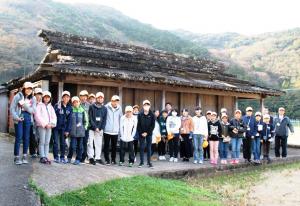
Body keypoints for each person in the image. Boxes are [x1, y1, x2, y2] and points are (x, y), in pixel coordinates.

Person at [10, 82, 36, 165]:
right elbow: (12, 108)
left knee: (26, 137)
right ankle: (16, 157)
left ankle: (24, 156)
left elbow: (33, 111)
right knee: (19, 137)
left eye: (31, 89)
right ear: (24, 88)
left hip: (28, 118)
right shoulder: (18, 96)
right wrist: (16, 117)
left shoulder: (33, 98)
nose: (29, 90)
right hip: (19, 118)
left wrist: (24, 105)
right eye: (28, 88)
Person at [34, 91, 56, 164]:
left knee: (47, 142)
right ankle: (42, 156)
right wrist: (45, 124)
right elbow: (37, 116)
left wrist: (52, 124)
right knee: (42, 141)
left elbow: (54, 117)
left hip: (49, 127)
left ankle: (46, 156)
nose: (46, 99)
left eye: (48, 97)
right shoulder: (39, 106)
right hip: (42, 126)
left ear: (50, 98)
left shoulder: (51, 107)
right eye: (45, 97)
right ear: (43, 98)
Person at [67, 96, 88, 165]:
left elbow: (86, 121)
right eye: (74, 102)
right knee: (72, 146)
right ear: (72, 103)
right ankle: (69, 157)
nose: (76, 103)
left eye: (77, 102)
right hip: (72, 132)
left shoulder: (82, 111)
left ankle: (78, 159)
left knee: (80, 147)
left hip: (81, 133)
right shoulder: (70, 110)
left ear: (79, 102)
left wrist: (84, 128)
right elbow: (67, 120)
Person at [87, 92, 107, 165]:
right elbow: (90, 118)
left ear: (103, 99)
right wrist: (95, 127)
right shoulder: (91, 106)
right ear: (96, 98)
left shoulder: (105, 108)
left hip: (100, 129)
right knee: (90, 143)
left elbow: (104, 119)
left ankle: (98, 157)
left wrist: (101, 128)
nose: (100, 99)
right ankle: (91, 158)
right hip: (92, 128)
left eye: (101, 97)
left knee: (98, 144)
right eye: (98, 97)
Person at [53, 91, 72, 163]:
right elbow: (53, 116)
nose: (66, 98)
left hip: (64, 128)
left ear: (69, 98)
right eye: (64, 97)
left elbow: (70, 120)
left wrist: (68, 130)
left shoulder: (70, 107)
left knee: (63, 142)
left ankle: (62, 157)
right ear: (62, 97)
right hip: (56, 127)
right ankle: (55, 157)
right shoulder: (57, 105)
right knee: (55, 142)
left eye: (67, 97)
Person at [104, 95, 123, 165]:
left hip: (115, 131)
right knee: (106, 146)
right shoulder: (106, 107)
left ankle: (113, 159)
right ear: (111, 100)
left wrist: (120, 129)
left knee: (114, 147)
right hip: (107, 130)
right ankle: (107, 159)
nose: (115, 102)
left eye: (117, 101)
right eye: (114, 101)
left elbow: (121, 118)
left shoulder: (119, 108)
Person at [137, 100, 155, 168]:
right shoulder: (140, 114)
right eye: (145, 105)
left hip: (149, 133)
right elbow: (138, 125)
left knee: (149, 148)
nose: (146, 106)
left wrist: (147, 133)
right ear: (143, 106)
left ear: (149, 106)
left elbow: (152, 126)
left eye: (147, 105)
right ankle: (141, 162)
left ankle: (149, 162)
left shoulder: (152, 115)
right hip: (141, 134)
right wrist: (142, 133)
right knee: (141, 147)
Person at [30, 87, 43, 158]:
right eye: (37, 94)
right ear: (34, 95)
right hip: (32, 122)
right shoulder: (31, 102)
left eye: (40, 94)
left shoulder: (42, 104)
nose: (38, 96)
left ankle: (39, 151)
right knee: (33, 137)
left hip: (40, 123)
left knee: (40, 137)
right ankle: (32, 152)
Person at [79, 90, 90, 163]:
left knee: (85, 142)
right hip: (79, 127)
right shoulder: (77, 104)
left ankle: (84, 156)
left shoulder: (89, 105)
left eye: (85, 96)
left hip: (86, 127)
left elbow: (91, 116)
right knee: (79, 142)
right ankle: (79, 156)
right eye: (82, 96)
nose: (83, 98)